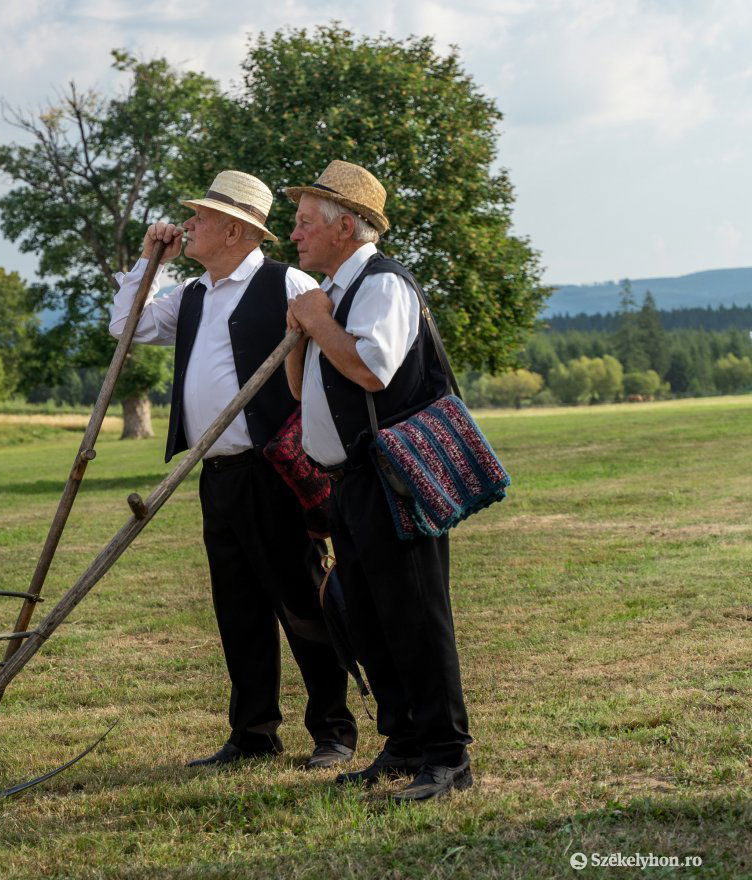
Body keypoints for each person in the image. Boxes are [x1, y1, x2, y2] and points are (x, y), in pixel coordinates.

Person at [108, 170, 356, 770]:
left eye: (200, 216)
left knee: (300, 599)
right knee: (236, 606)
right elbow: (126, 326)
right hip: (215, 473)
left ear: (235, 230)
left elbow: (331, 351)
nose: (187, 223)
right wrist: (149, 262)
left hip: (275, 472)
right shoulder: (192, 294)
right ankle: (253, 734)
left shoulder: (286, 282)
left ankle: (333, 730)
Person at [283, 160, 474, 801]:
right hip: (350, 482)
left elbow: (371, 370)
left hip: (391, 479)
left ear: (345, 227)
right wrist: (302, 335)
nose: (294, 234)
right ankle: (403, 742)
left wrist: (318, 322)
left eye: (306, 222)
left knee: (416, 615)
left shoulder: (384, 285)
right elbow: (304, 386)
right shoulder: (332, 295)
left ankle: (447, 758)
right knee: (366, 616)